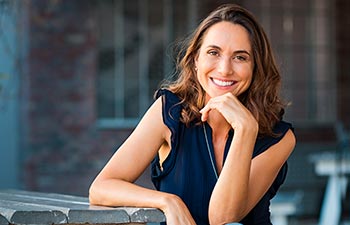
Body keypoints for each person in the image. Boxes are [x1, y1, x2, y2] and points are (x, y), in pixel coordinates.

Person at [89, 3, 296, 225]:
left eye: (240, 57)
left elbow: (221, 217)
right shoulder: (169, 110)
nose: (225, 69)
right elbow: (101, 188)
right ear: (196, 59)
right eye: (213, 53)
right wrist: (167, 201)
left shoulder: (279, 137)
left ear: (255, 68)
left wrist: (246, 130)